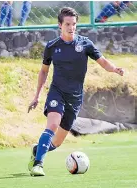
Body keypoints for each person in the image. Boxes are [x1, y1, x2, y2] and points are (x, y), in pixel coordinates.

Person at [27, 7, 124, 176]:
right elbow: (43, 71)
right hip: (57, 93)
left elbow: (102, 61)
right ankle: (38, 165)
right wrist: (37, 96)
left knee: (57, 143)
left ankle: (37, 150)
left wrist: (114, 69)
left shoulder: (85, 44)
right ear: (59, 25)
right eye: (67, 24)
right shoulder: (51, 46)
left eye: (74, 24)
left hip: (75, 98)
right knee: (52, 125)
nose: (71, 27)